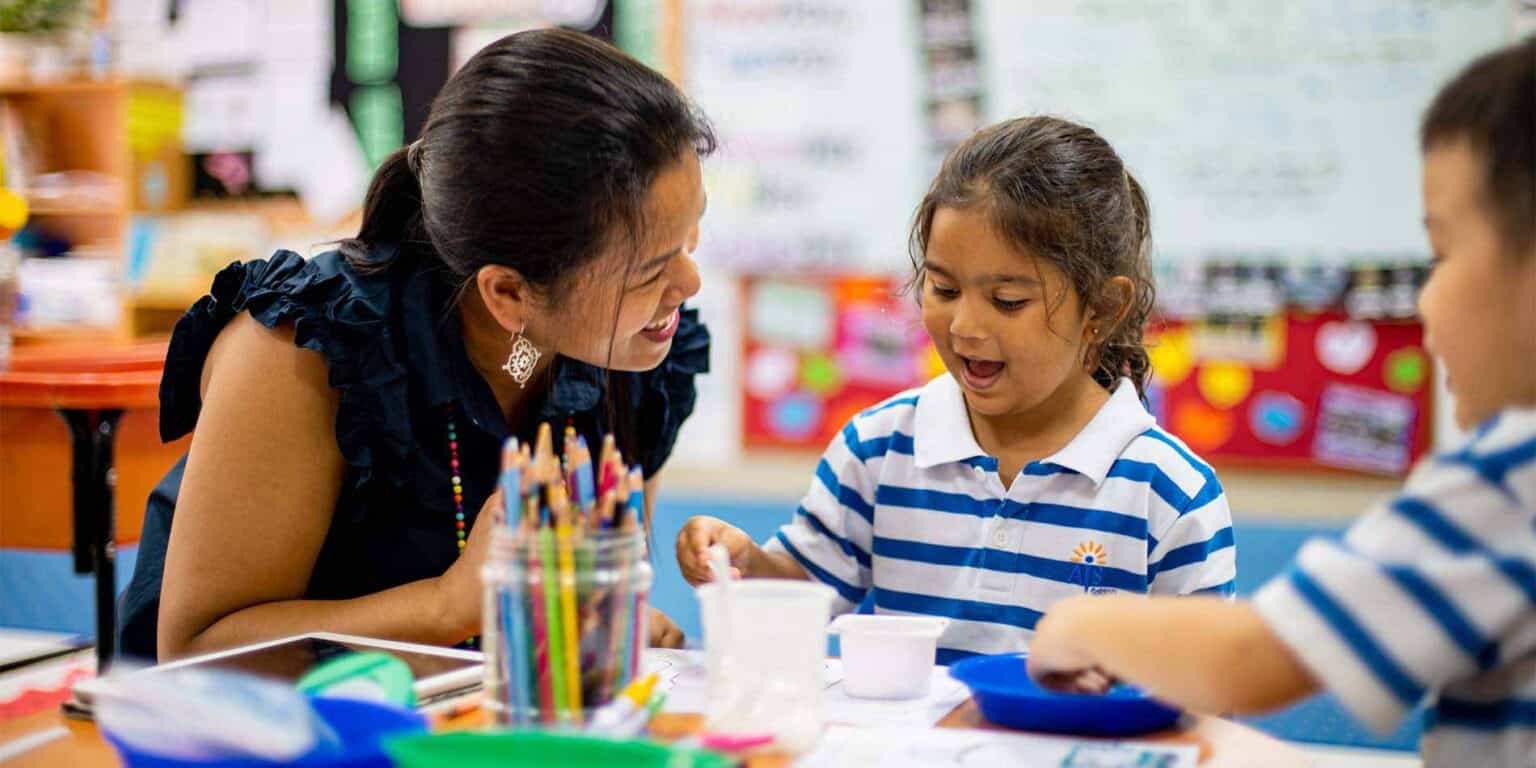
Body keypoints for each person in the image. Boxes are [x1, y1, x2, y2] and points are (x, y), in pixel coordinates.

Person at [120, 28, 715, 660]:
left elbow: (518, 372)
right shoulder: (306, 347)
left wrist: (601, 617)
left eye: (691, 235)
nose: (689, 281)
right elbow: (194, 652)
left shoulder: (607, 347)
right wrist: (447, 606)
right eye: (650, 269)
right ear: (508, 293)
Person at [1025, 38, 1536, 767]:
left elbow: (1249, 660)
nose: (1426, 297)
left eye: (1443, 255)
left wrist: (1077, 622)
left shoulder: (1511, 482)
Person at [677, 116, 1235, 662]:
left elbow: (1202, 706)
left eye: (1008, 301)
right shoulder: (878, 449)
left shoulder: (1170, 497)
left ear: (1104, 309)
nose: (965, 326)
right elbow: (797, 599)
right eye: (943, 288)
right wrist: (743, 563)